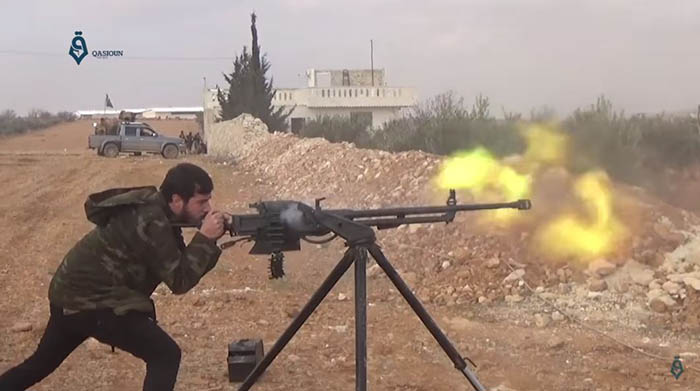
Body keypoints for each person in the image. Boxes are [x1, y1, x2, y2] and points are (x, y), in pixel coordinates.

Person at [0, 163, 229, 391]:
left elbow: (180, 264)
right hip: (92, 302)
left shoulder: (156, 210)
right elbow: (180, 281)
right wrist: (205, 239)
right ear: (177, 200)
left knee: (39, 365)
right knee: (165, 354)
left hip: (69, 296)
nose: (207, 208)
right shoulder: (151, 221)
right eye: (201, 202)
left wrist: (208, 237)